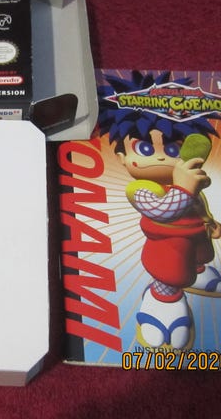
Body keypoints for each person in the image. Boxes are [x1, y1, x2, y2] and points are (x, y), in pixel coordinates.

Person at [99, 71, 221, 350]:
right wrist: (184, 188)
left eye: (173, 150)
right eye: (144, 148)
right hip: (168, 245)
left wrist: (209, 221)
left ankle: (197, 271)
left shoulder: (186, 181)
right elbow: (164, 211)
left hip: (195, 237)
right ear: (122, 157)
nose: (161, 156)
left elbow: (197, 204)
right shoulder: (141, 189)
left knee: (202, 254)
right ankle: (163, 298)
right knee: (171, 270)